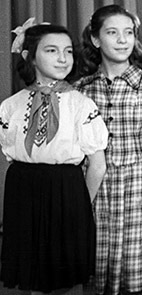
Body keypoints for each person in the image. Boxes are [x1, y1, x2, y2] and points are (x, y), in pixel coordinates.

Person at [0, 21, 107, 294]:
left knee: (66, 280)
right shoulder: (11, 106)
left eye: (68, 51)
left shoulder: (81, 105)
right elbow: (9, 159)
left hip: (67, 195)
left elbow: (97, 165)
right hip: (24, 195)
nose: (62, 58)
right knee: (33, 277)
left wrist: (78, 205)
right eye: (51, 50)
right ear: (30, 56)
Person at [76, 5, 142, 294]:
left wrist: (140, 182)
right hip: (93, 192)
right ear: (95, 39)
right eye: (112, 32)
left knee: (132, 281)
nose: (122, 40)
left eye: (128, 33)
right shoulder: (82, 90)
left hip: (136, 195)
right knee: (97, 274)